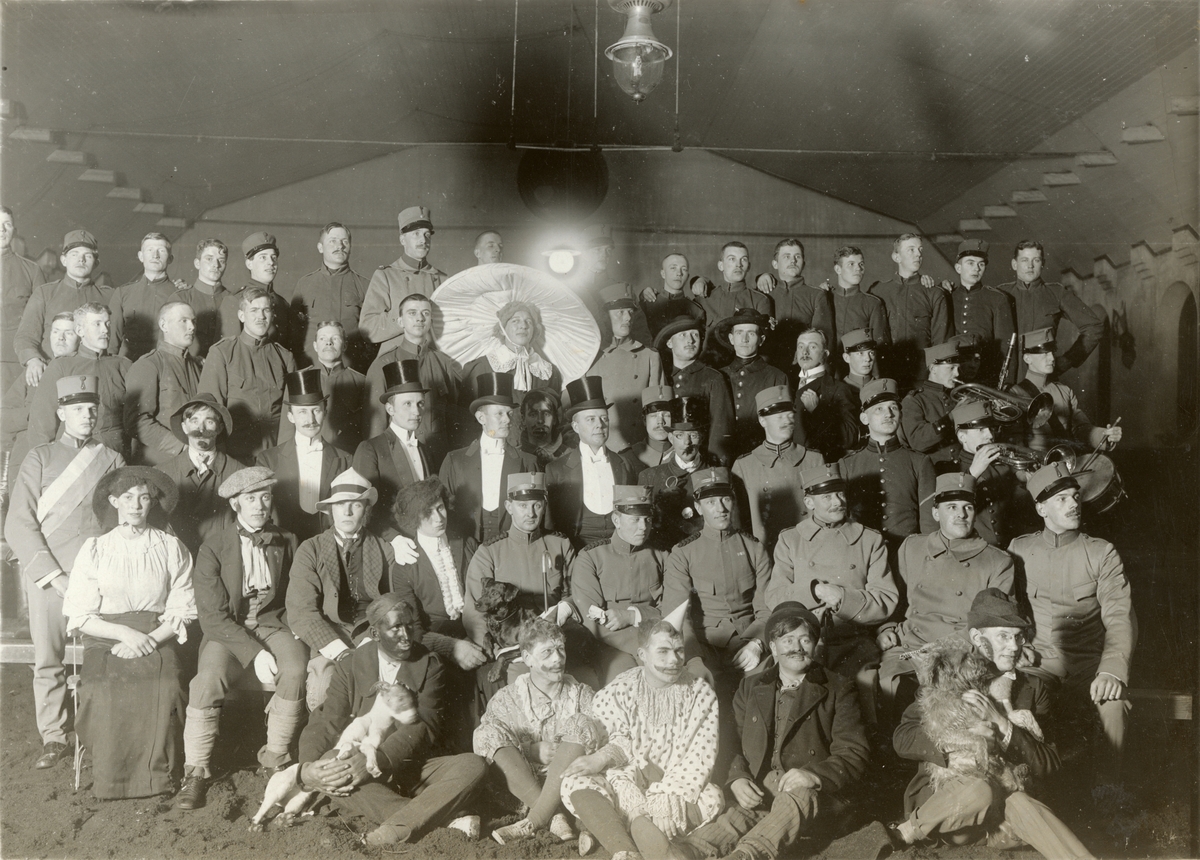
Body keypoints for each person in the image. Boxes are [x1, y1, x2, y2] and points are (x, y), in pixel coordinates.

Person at [890, 589, 1095, 859]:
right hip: (953, 803)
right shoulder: (952, 675)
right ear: (978, 638)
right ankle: (908, 830)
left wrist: (1002, 724)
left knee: (1023, 803)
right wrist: (952, 745)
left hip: (1001, 811)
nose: (1014, 646)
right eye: (1003, 636)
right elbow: (903, 736)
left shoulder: (1033, 687)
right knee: (979, 790)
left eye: (1018, 637)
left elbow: (1049, 762)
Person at [673, 602, 870, 860]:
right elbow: (731, 744)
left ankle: (747, 855)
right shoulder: (750, 687)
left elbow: (854, 753)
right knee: (731, 821)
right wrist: (737, 778)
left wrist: (813, 776)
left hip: (814, 798)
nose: (797, 647)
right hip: (762, 794)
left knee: (797, 800)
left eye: (805, 640)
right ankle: (682, 853)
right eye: (788, 640)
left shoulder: (839, 688)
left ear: (815, 646)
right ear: (774, 648)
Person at [297, 593, 486, 847]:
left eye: (410, 626)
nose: (406, 635)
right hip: (360, 770)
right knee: (330, 766)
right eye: (396, 627)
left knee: (473, 765)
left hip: (411, 767)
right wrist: (306, 768)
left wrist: (379, 759)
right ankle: (433, 820)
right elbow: (326, 721)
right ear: (375, 633)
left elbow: (424, 728)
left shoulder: (430, 666)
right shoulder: (350, 665)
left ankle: (405, 821)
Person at [5, 375, 125, 770]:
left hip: (97, 575)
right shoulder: (39, 458)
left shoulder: (111, 459)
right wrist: (54, 576)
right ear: (61, 414)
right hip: (48, 575)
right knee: (48, 660)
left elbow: (121, 520)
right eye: (77, 409)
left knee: (100, 658)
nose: (87, 416)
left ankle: (95, 732)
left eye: (92, 409)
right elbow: (18, 523)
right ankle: (54, 737)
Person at [176, 466, 306, 810]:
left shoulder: (288, 540)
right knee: (207, 680)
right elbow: (212, 616)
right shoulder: (213, 546)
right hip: (228, 631)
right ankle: (196, 771)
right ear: (235, 504)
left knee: (295, 670)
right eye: (251, 498)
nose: (260, 505)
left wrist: (292, 630)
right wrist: (255, 653)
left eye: (265, 497)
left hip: (274, 625)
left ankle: (276, 758)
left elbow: (296, 597)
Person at [62, 466, 196, 799]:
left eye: (144, 498)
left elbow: (182, 608)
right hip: (105, 635)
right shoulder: (95, 549)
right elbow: (81, 614)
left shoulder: (170, 547)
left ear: (152, 503)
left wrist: (148, 639)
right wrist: (125, 635)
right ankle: (111, 781)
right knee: (101, 689)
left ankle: (158, 779)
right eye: (127, 497)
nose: (136, 505)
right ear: (114, 502)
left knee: (168, 686)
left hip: (157, 633)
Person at [1008, 462, 1135, 787]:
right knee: (1020, 708)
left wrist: (1111, 670)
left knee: (1113, 706)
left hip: (1088, 666)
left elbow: (1119, 616)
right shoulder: (1020, 549)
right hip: (1038, 664)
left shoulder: (1101, 553)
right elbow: (1009, 610)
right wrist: (1017, 646)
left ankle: (1108, 797)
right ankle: (1031, 798)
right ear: (1041, 508)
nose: (1073, 504)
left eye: (1075, 496)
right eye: (1062, 499)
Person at [561, 618, 724, 860]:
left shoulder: (701, 693)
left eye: (679, 651)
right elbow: (613, 737)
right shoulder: (621, 688)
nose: (674, 660)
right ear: (642, 655)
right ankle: (627, 847)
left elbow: (700, 756)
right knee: (574, 782)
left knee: (713, 797)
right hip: (626, 779)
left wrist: (666, 796)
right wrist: (602, 757)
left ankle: (617, 830)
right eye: (663, 651)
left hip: (675, 783)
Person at [876, 472, 1015, 716]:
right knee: (889, 690)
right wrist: (886, 628)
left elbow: (992, 626)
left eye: (968, 507)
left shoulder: (997, 561)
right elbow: (896, 601)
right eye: (952, 507)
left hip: (961, 650)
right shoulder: (912, 548)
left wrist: (943, 649)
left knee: (944, 705)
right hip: (910, 646)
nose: (961, 514)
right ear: (936, 513)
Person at [766, 463, 897, 687]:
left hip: (854, 642)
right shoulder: (790, 540)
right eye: (827, 497)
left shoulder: (869, 540)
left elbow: (885, 600)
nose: (837, 502)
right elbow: (775, 596)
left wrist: (842, 598)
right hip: (803, 644)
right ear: (809, 502)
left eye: (840, 494)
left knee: (862, 691)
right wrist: (814, 590)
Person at [474, 617, 600, 845]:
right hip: (521, 790)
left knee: (584, 723)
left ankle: (542, 817)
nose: (558, 658)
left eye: (560, 649)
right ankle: (554, 816)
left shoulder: (582, 695)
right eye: (547, 652)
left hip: (569, 784)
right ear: (527, 658)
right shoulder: (507, 698)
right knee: (485, 733)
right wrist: (528, 750)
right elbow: (488, 746)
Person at [285, 468, 393, 710]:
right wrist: (341, 652)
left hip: (372, 635)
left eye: (356, 504)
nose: (347, 511)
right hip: (328, 638)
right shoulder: (310, 549)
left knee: (383, 692)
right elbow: (302, 612)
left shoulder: (383, 548)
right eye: (340, 504)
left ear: (366, 510)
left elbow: (393, 604)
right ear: (331, 510)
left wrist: (372, 640)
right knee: (323, 690)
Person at [388, 476, 484, 744]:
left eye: (440, 507)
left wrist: (478, 638)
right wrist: (453, 647)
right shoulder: (405, 565)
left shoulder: (465, 544)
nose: (438, 518)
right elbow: (413, 631)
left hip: (475, 631)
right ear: (413, 520)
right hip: (433, 642)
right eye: (427, 513)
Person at [663, 467, 771, 686]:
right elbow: (677, 615)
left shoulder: (754, 548)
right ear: (698, 508)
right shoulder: (683, 553)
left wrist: (757, 643)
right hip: (704, 646)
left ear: (733, 502)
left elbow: (768, 606)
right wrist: (694, 658)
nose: (721, 508)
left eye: (725, 499)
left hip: (747, 640)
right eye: (711, 502)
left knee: (763, 686)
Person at [460, 472, 576, 650]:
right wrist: (496, 648)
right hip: (510, 645)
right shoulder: (489, 552)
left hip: (557, 637)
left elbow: (577, 594)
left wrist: (561, 615)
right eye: (523, 505)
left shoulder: (560, 544)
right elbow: (474, 613)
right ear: (509, 507)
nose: (531, 513)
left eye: (537, 505)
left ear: (544, 506)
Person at [570, 485, 668, 684]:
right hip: (608, 645)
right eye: (635, 520)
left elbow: (673, 606)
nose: (643, 527)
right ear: (616, 520)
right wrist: (643, 646)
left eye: (647, 519)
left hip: (655, 637)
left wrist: (633, 616)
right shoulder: (591, 557)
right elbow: (592, 618)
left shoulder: (661, 556)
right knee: (625, 681)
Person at [198, 287, 297, 462]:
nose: (261, 316)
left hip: (275, 452)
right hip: (235, 454)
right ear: (241, 316)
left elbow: (292, 412)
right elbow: (211, 410)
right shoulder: (222, 352)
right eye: (254, 310)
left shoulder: (285, 357)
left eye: (266, 310)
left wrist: (284, 456)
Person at [838, 378, 936, 552]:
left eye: (893, 407)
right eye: (879, 409)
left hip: (907, 555)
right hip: (862, 555)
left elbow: (929, 525)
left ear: (901, 415)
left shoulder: (920, 462)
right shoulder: (847, 465)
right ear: (864, 418)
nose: (888, 414)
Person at [440, 371, 538, 543]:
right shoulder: (454, 460)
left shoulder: (527, 461)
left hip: (511, 546)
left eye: (509, 414)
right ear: (481, 418)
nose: (507, 420)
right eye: (499, 414)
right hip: (466, 546)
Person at [256, 368, 353, 541]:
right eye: (302, 412)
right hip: (283, 544)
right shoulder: (268, 460)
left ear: (325, 412)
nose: (310, 420)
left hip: (329, 543)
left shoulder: (345, 459)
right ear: (291, 416)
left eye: (316, 410)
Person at [364, 293, 462, 464]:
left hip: (439, 457)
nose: (420, 318)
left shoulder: (443, 362)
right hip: (400, 458)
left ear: (431, 321)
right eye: (412, 313)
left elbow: (454, 417)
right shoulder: (383, 364)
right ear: (400, 321)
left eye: (425, 313)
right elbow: (375, 424)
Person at [28, 302, 132, 457]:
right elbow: (41, 423)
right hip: (75, 456)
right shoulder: (62, 366)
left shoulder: (124, 365)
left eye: (107, 324)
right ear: (79, 330)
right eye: (97, 324)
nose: (105, 330)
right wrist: (45, 461)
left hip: (118, 453)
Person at [731, 385, 824, 555]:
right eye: (779, 416)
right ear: (762, 421)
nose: (787, 421)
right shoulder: (744, 465)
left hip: (807, 551)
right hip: (764, 553)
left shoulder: (813, 459)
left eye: (790, 415)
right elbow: (738, 523)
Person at [15, 230, 113, 389]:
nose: (81, 259)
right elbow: (25, 336)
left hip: (95, 379)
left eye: (88, 256)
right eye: (74, 254)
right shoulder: (45, 294)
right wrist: (33, 360)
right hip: (51, 376)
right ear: (63, 260)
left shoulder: (110, 297)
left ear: (96, 262)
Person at [546, 376, 637, 547]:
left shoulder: (624, 464)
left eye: (604, 418)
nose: (600, 425)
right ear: (575, 427)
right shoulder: (556, 469)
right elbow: (551, 527)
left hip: (618, 549)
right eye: (590, 419)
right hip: (577, 550)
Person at [998, 240, 1104, 378]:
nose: (1030, 266)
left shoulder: (1056, 293)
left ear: (1043, 263)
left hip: (1042, 380)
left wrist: (1068, 360)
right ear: (1014, 264)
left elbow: (1094, 326)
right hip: (1003, 380)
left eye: (1036, 260)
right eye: (1024, 260)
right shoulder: (1000, 294)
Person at [157, 394, 243, 554]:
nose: (201, 429)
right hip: (177, 559)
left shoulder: (239, 472)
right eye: (194, 421)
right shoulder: (162, 473)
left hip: (222, 558)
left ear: (219, 428)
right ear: (184, 427)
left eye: (209, 422)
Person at [1012, 327, 1123, 451]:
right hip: (1035, 461)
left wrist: (1104, 435)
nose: (1052, 358)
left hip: (1067, 459)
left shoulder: (1065, 391)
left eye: (1052, 352)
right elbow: (1014, 440)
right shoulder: (1014, 394)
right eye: (1045, 353)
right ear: (1027, 358)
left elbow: (1080, 428)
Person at [360, 205, 447, 356]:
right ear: (402, 240)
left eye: (427, 234)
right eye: (416, 234)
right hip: (396, 359)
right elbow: (368, 329)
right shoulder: (386, 276)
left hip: (433, 357)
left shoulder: (442, 279)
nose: (423, 240)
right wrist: (406, 317)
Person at [638, 395, 723, 550]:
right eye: (679, 435)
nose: (687, 442)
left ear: (702, 437)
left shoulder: (718, 474)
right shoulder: (649, 477)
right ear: (671, 438)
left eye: (693, 435)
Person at [123, 301, 201, 465]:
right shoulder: (148, 365)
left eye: (193, 321)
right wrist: (182, 447)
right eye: (184, 321)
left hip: (195, 459)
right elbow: (136, 422)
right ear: (164, 325)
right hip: (160, 462)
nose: (192, 327)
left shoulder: (197, 366)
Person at [869, 233, 951, 389]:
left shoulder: (934, 293)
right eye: (911, 250)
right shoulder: (879, 291)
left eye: (920, 250)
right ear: (896, 257)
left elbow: (940, 341)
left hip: (922, 377)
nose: (918, 254)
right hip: (887, 374)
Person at [588, 282, 663, 452]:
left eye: (630, 312)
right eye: (620, 312)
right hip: (600, 447)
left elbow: (658, 412)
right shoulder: (591, 357)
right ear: (605, 316)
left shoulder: (649, 356)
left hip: (638, 448)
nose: (628, 318)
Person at [291, 222, 375, 372]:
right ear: (320, 247)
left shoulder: (365, 285)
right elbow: (294, 334)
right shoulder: (304, 284)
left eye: (345, 241)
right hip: (312, 370)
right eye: (333, 241)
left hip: (352, 370)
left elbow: (373, 335)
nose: (340, 246)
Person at [1, 311, 78, 474]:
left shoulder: (83, 373)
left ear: (81, 337)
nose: (60, 338)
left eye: (69, 333)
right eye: (56, 331)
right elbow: (4, 418)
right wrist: (35, 415)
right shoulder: (35, 371)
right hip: (26, 458)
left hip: (67, 460)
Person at [934, 400, 1019, 547]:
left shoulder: (1004, 467)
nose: (990, 435)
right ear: (962, 437)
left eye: (991, 429)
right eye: (981, 430)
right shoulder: (947, 469)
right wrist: (973, 473)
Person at [277, 320, 368, 452]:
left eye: (335, 338)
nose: (328, 342)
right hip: (309, 454)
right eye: (322, 338)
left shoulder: (361, 381)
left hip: (347, 456)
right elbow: (286, 431)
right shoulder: (300, 379)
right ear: (315, 346)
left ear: (344, 346)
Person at [656, 314, 734, 464]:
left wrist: (713, 468)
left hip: (700, 463)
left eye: (695, 335)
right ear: (669, 343)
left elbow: (721, 431)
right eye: (683, 335)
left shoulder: (713, 378)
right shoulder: (660, 376)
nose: (690, 340)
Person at [461, 300, 562, 410]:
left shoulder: (548, 371)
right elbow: (467, 413)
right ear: (502, 330)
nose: (523, 326)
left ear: (534, 330)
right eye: (515, 321)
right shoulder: (481, 367)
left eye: (529, 322)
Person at [752, 238, 836, 369]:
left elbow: (824, 340)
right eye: (786, 256)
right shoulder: (762, 293)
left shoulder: (817, 295)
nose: (793, 261)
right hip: (767, 368)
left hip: (804, 368)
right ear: (775, 264)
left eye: (797, 256)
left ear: (804, 263)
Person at [717, 307, 787, 454]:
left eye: (751, 333)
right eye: (739, 333)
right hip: (724, 453)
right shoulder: (718, 376)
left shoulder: (776, 376)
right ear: (731, 339)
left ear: (761, 340)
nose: (744, 339)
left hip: (761, 454)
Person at [944, 239, 1015, 384]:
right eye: (970, 263)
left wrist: (1005, 384)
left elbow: (1005, 347)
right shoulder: (947, 297)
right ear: (958, 268)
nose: (976, 269)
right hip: (951, 375)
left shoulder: (997, 299)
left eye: (981, 264)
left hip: (985, 376)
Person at [109, 233, 184, 361]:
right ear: (141, 256)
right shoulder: (123, 293)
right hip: (129, 365)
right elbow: (112, 342)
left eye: (161, 250)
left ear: (170, 258)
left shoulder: (181, 295)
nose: (155, 255)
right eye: (150, 250)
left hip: (166, 364)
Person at [791, 329, 859, 462]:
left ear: (825, 354)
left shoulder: (838, 388)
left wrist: (818, 411)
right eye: (801, 347)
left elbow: (849, 437)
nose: (805, 352)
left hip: (816, 465)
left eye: (812, 347)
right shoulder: (786, 382)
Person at [217, 231, 293, 349]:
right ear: (249, 264)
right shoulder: (234, 301)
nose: (271, 263)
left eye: (273, 257)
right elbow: (230, 351)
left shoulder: (282, 304)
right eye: (263, 257)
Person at [0, 206, 47, 391]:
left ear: (14, 230)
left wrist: (32, 357)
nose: (1, 229)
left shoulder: (32, 270)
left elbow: (42, 320)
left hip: (18, 361)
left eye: (7, 224)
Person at [166, 238, 229, 359]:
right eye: (209, 259)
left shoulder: (233, 299)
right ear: (197, 263)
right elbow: (170, 345)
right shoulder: (180, 299)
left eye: (221, 260)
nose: (216, 265)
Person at [703, 242, 772, 349]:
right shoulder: (705, 298)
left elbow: (764, 344)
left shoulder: (760, 300)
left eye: (743, 259)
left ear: (749, 266)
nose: (738, 265)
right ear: (721, 265)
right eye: (732, 259)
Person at [898, 341, 960, 458]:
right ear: (933, 368)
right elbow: (918, 442)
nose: (957, 373)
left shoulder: (959, 396)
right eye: (951, 368)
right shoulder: (914, 400)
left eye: (958, 368)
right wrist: (952, 417)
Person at [828, 246, 889, 349]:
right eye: (851, 264)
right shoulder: (825, 298)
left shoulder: (873, 303)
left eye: (861, 264)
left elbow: (880, 345)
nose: (858, 268)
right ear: (838, 269)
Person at [640, 252, 707, 338]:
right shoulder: (647, 304)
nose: (679, 273)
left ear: (687, 276)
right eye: (673, 268)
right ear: (663, 274)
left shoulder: (696, 310)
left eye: (684, 269)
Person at [622, 385, 674, 471]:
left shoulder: (684, 456)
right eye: (653, 416)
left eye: (667, 415)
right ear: (644, 420)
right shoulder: (628, 458)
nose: (660, 421)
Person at [520, 388, 571, 468]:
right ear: (523, 419)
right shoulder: (515, 456)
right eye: (533, 414)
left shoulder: (569, 455)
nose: (540, 420)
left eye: (546, 414)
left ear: (554, 419)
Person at [840, 328, 878, 395]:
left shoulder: (881, 388)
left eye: (871, 353)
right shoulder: (839, 390)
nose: (868, 359)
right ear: (846, 358)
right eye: (860, 353)